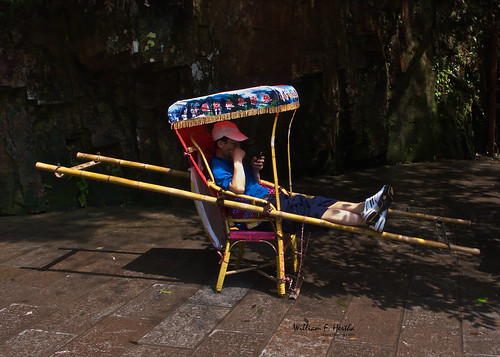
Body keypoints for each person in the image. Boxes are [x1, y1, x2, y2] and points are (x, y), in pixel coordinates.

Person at [210, 121, 393, 233]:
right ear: (220, 143)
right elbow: (238, 189)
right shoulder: (219, 166)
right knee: (310, 211)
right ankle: (367, 221)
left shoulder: (232, 159)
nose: (238, 148)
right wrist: (237, 160)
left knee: (315, 201)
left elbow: (253, 185)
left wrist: (255, 170)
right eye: (233, 144)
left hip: (268, 199)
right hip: (258, 213)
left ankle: (363, 206)